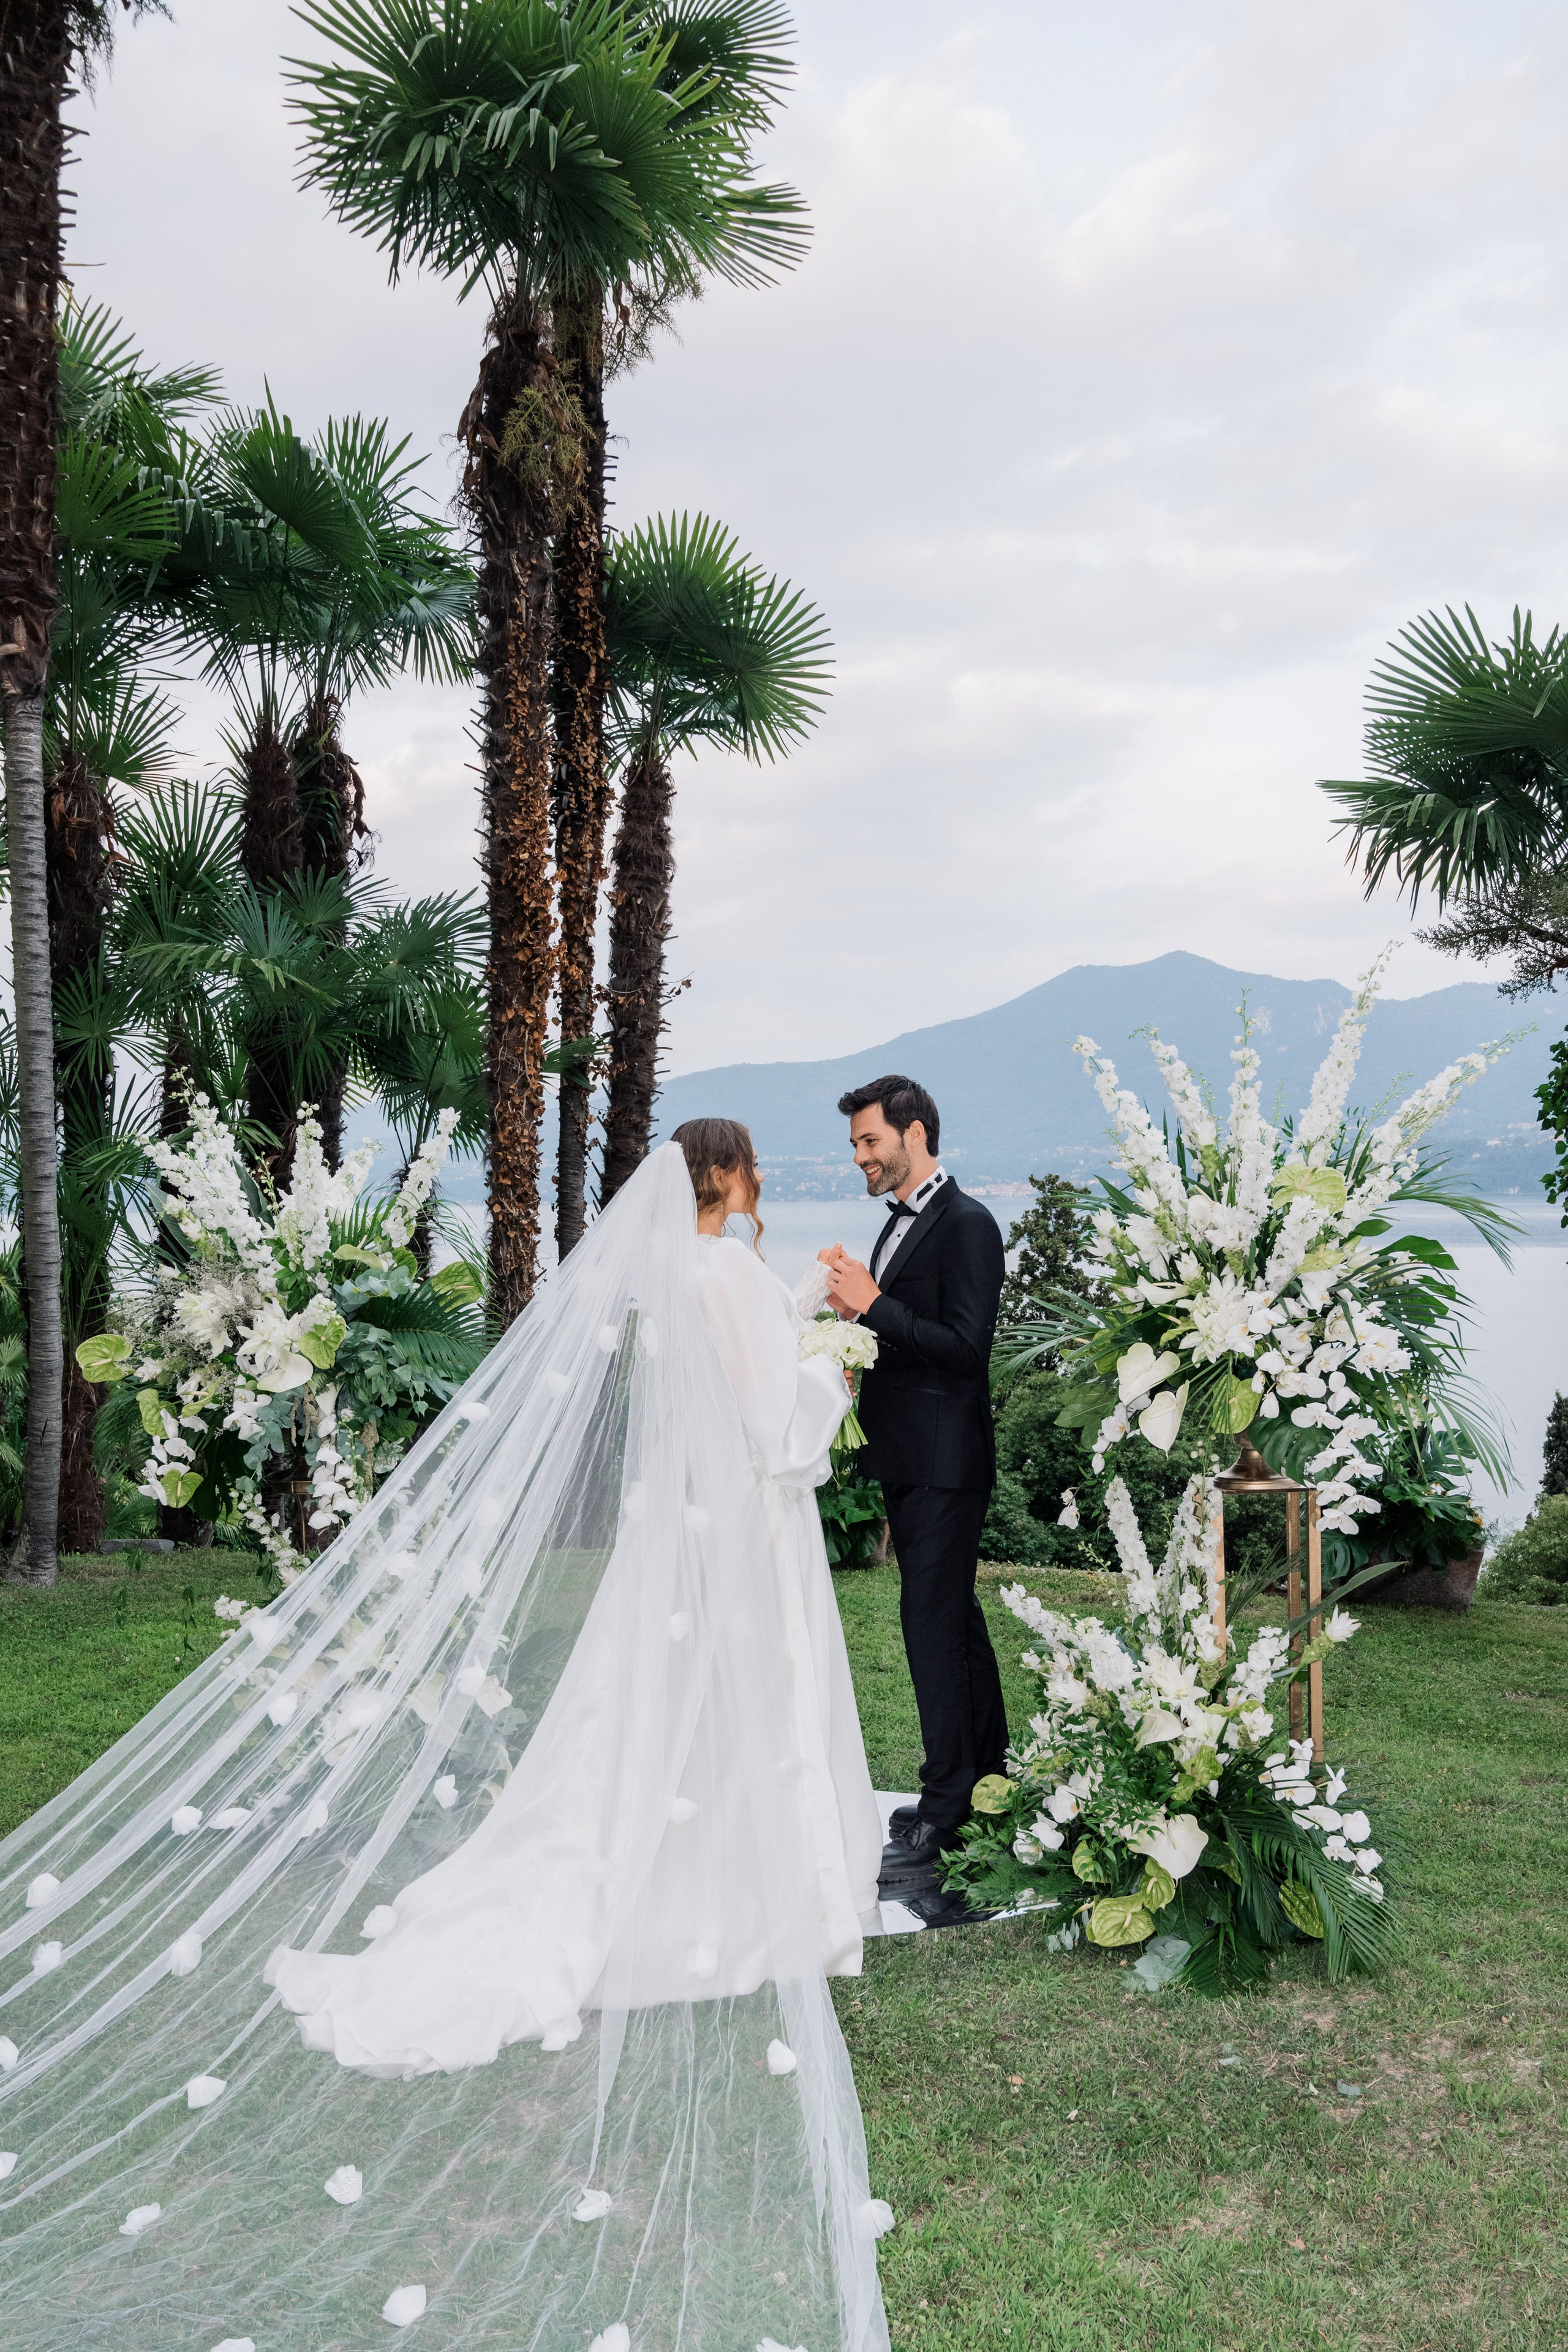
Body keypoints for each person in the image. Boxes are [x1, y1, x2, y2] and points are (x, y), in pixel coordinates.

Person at [0, 1129, 892, 2352]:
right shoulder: (726, 1272)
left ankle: (690, 1856)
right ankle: (745, 1877)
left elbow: (706, 1373)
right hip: (741, 1525)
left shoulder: (667, 1278)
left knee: (652, 1709)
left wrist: (789, 1313)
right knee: (747, 1705)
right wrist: (830, 1362)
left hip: (674, 1533)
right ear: (737, 1183)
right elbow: (773, 1420)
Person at [820, 1077, 1008, 1912]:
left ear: (914, 1133)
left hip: (944, 1460)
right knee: (953, 1624)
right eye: (856, 1145)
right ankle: (984, 1786)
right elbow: (903, 1332)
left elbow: (965, 1347)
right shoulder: (902, 1222)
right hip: (911, 1456)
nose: (860, 1157)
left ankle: (945, 1806)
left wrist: (874, 1305)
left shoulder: (967, 1225)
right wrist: (851, 1322)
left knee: (932, 1631)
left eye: (869, 1142)